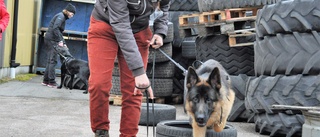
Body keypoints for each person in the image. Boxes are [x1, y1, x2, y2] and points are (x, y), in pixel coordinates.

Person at [87, 0, 170, 136]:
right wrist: (138, 71)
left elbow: (164, 6)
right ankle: (101, 131)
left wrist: (160, 31)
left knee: (134, 90)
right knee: (99, 84)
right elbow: (121, 26)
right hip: (105, 27)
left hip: (139, 31)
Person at [41, 3, 76, 88]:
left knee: (50, 60)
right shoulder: (61, 17)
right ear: (67, 11)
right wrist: (60, 40)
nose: (72, 15)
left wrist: (63, 43)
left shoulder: (61, 16)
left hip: (51, 39)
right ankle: (51, 82)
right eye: (72, 13)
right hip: (52, 40)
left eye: (73, 14)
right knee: (53, 60)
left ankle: (46, 80)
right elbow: (55, 28)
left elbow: (59, 32)